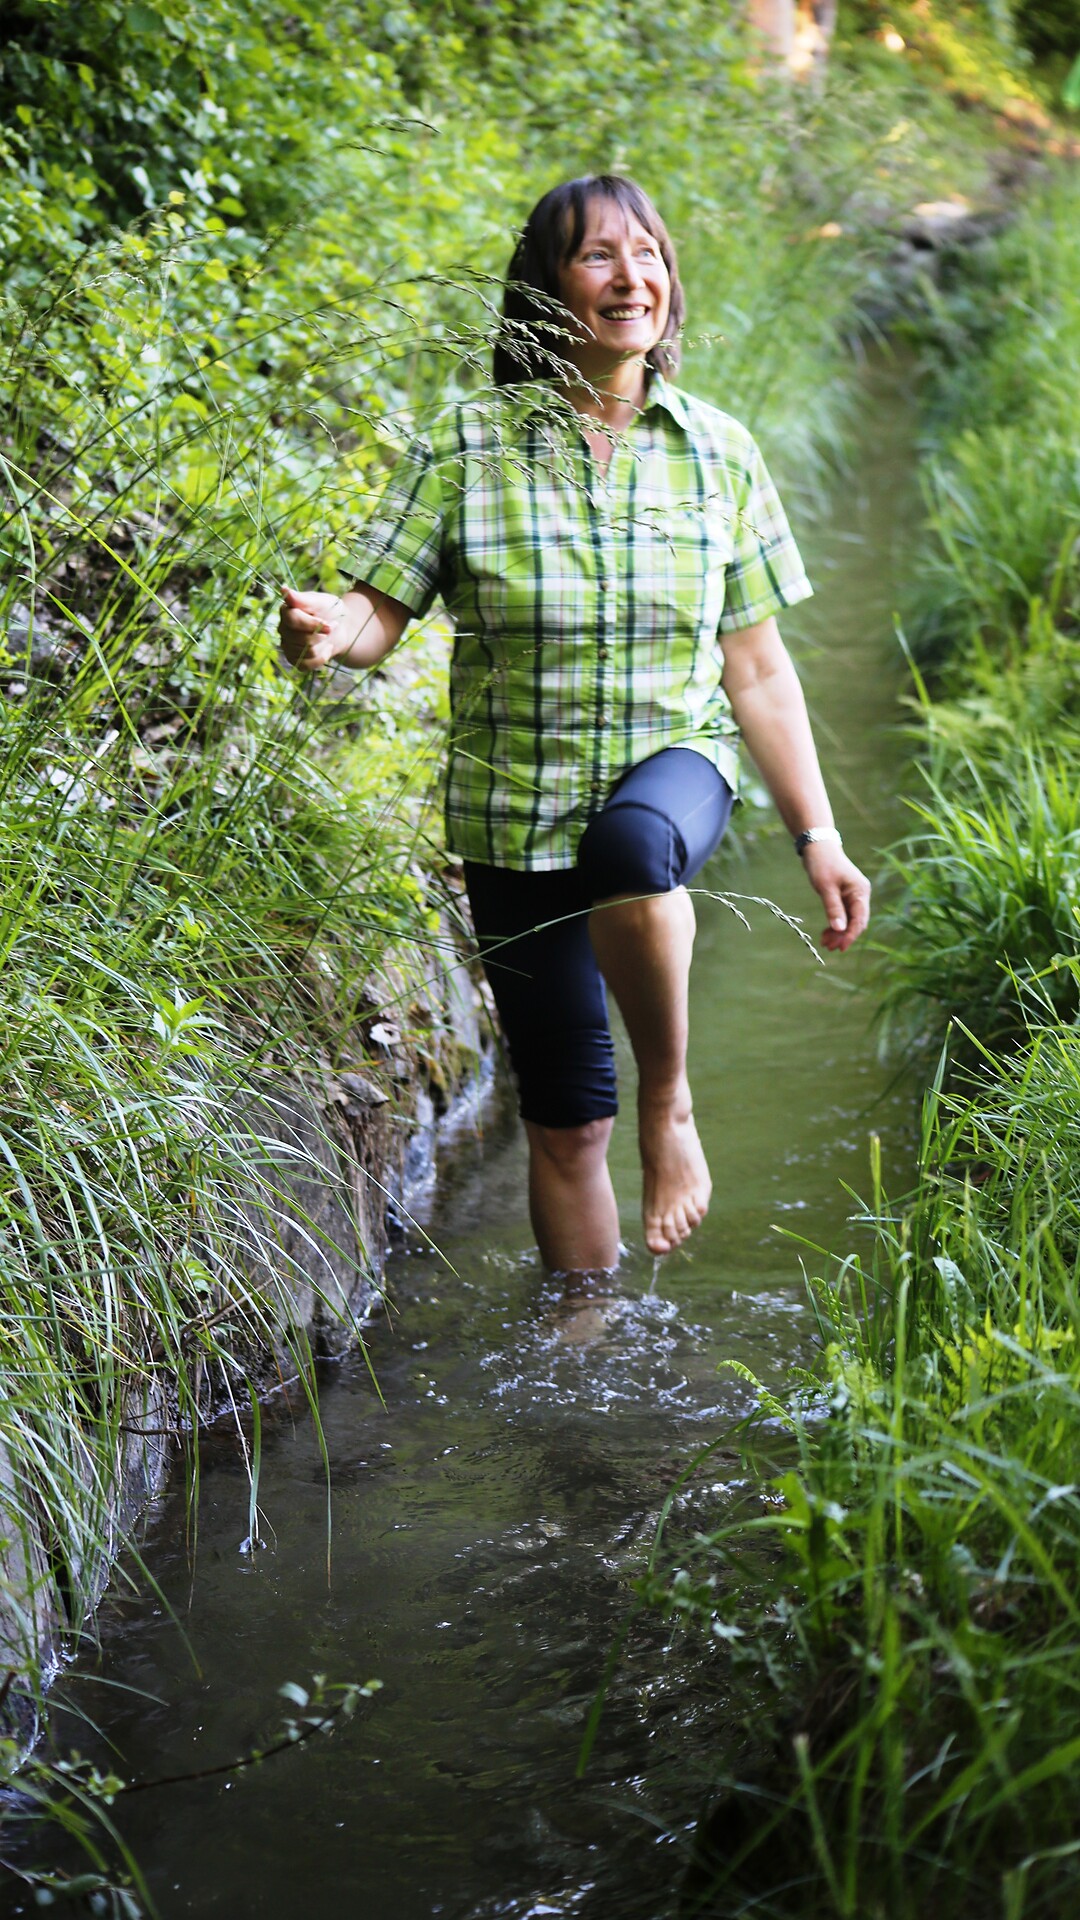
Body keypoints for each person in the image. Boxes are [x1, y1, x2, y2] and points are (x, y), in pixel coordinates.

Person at [279, 174, 871, 1277]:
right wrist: (327, 629)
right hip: (513, 810)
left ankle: (672, 1101)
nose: (629, 276)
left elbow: (759, 671)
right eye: (597, 256)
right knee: (562, 1121)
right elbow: (378, 616)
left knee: (632, 849)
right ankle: (582, 1344)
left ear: (670, 287)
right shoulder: (464, 448)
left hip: (673, 763)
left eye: (646, 254)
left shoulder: (718, 453)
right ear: (545, 289)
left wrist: (818, 836)